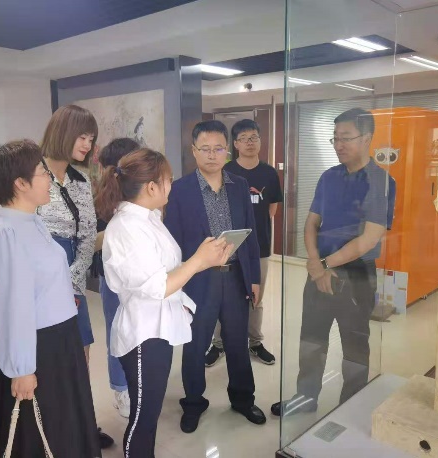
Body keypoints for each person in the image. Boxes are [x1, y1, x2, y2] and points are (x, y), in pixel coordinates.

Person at [96, 148, 232, 457]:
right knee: (143, 417)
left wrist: (206, 260)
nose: (172, 184)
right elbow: (158, 286)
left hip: (158, 329)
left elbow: (167, 269)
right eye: (168, 179)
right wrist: (198, 261)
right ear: (151, 187)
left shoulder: (150, 218)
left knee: (151, 410)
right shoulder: (127, 228)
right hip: (143, 334)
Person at [271, 108, 396, 417]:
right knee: (311, 338)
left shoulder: (381, 181)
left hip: (356, 275)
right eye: (335, 138)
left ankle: (351, 406)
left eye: (346, 138)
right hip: (320, 269)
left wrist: (324, 265)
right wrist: (316, 264)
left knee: (355, 344)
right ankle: (306, 396)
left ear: (366, 138)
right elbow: (311, 223)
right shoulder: (328, 177)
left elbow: (369, 239)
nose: (339, 145)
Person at [0, 140, 100, 457]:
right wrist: (22, 369)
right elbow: (13, 307)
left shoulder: (32, 221)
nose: (49, 178)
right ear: (20, 183)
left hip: (60, 338)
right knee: (43, 430)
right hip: (38, 346)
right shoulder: (6, 233)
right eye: (42, 172)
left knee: (65, 423)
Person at [164, 120, 267, 433]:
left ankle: (243, 399)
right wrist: (179, 281)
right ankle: (193, 403)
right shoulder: (179, 190)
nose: (212, 155)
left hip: (235, 277)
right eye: (205, 149)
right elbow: (173, 241)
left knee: (237, 343)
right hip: (199, 279)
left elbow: (250, 234)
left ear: (227, 151)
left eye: (218, 148)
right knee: (195, 345)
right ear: (194, 151)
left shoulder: (239, 185)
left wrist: (254, 277)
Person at [37, 104, 113, 448]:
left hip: (73, 277)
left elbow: (87, 237)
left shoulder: (81, 181)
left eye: (91, 138)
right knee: (48, 359)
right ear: (62, 132)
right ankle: (50, 429)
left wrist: (72, 281)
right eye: (82, 136)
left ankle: (84, 426)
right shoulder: (31, 174)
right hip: (39, 277)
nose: (87, 144)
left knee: (80, 355)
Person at [206, 119, 283, 367]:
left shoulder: (269, 173)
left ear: (260, 140)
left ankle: (255, 342)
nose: (250, 143)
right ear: (236, 144)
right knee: (224, 295)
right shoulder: (226, 171)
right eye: (244, 138)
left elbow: (271, 210)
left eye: (254, 137)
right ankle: (219, 344)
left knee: (255, 296)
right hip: (228, 246)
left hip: (259, 245)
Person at [91, 137, 141, 418]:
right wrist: (120, 228)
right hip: (112, 277)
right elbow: (90, 243)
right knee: (117, 331)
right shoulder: (101, 198)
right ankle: (121, 389)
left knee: (141, 330)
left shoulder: (142, 193)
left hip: (142, 273)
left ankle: (139, 382)